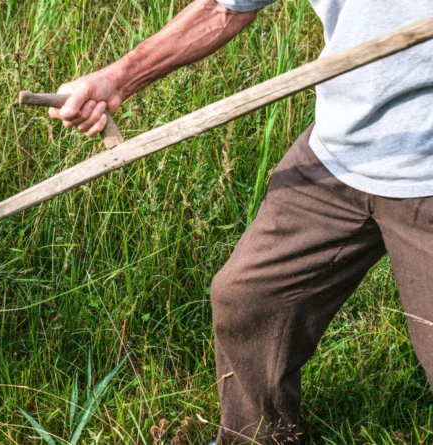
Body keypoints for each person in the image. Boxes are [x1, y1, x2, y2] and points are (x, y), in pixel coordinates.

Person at [46, 1, 433, 443]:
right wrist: (115, 79)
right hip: (339, 151)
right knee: (249, 298)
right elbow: (224, 7)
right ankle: (256, 438)